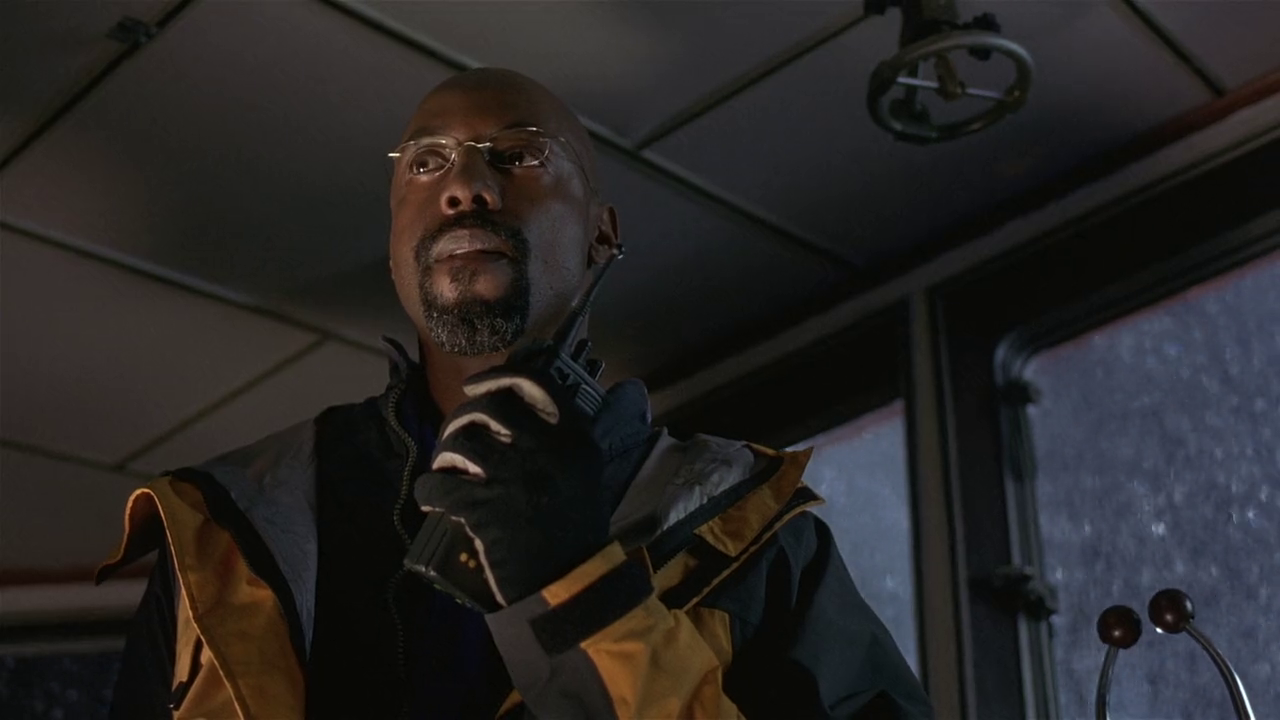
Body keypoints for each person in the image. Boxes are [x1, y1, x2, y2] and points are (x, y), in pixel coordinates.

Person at [100, 68, 932, 719]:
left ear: (603, 233)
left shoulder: (751, 533)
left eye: (520, 155)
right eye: (426, 163)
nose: (464, 186)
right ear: (394, 247)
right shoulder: (227, 528)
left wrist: (583, 593)